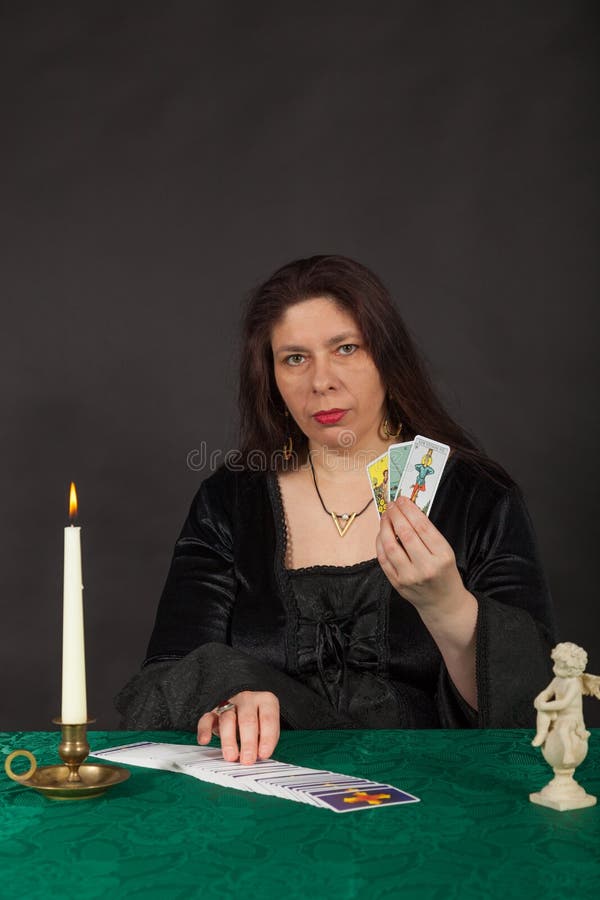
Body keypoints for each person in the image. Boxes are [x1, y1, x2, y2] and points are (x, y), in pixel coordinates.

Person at [116, 255, 555, 765]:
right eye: (295, 358)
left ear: (389, 360)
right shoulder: (229, 501)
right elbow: (162, 678)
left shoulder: (480, 498)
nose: (320, 381)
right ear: (272, 378)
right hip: (267, 809)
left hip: (436, 804)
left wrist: (448, 608)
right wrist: (232, 688)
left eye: (345, 348)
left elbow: (538, 708)